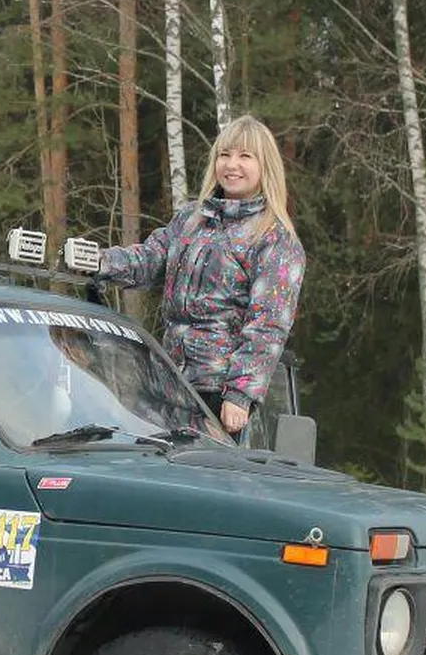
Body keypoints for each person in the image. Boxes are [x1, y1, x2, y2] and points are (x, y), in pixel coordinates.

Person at [93, 114, 306, 443]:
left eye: (245, 156)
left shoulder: (275, 239)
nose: (231, 165)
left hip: (217, 397)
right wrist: (98, 261)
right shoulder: (192, 219)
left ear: (266, 166)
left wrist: (240, 393)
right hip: (166, 382)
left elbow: (268, 324)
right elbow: (148, 260)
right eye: (225, 154)